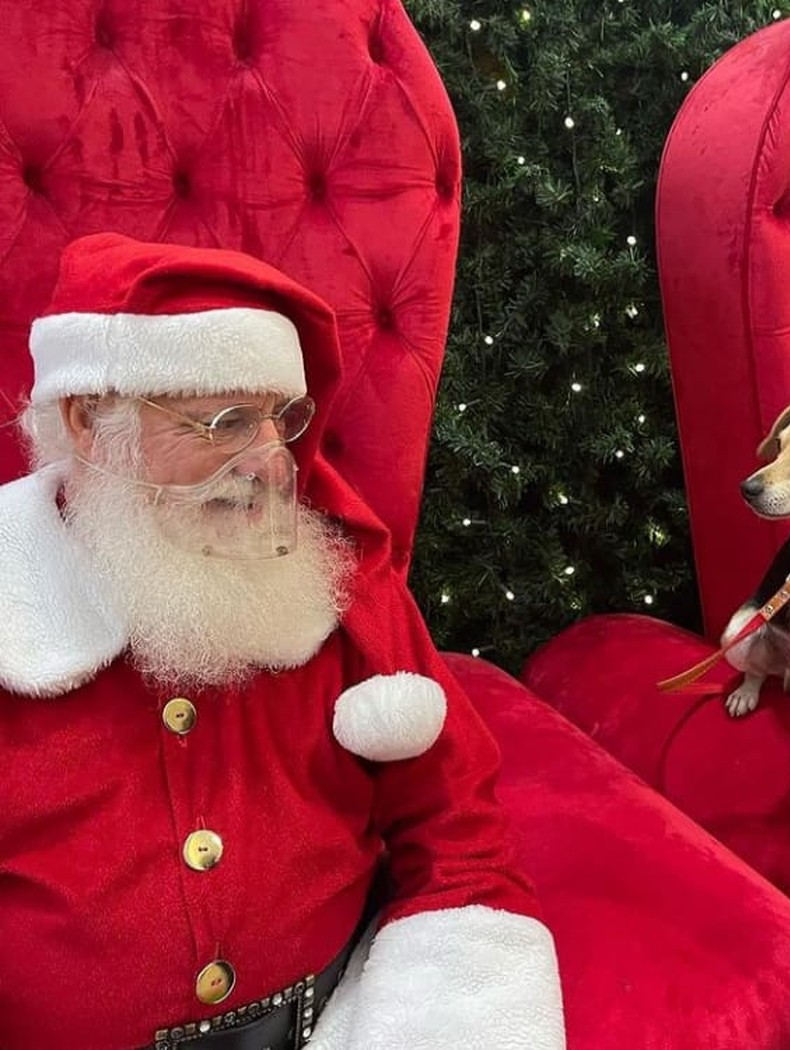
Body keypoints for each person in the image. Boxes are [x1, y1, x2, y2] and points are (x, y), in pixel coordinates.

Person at [0, 233, 565, 1050]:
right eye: (225, 420)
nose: (269, 462)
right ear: (91, 421)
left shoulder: (333, 575)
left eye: (278, 418)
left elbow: (456, 830)